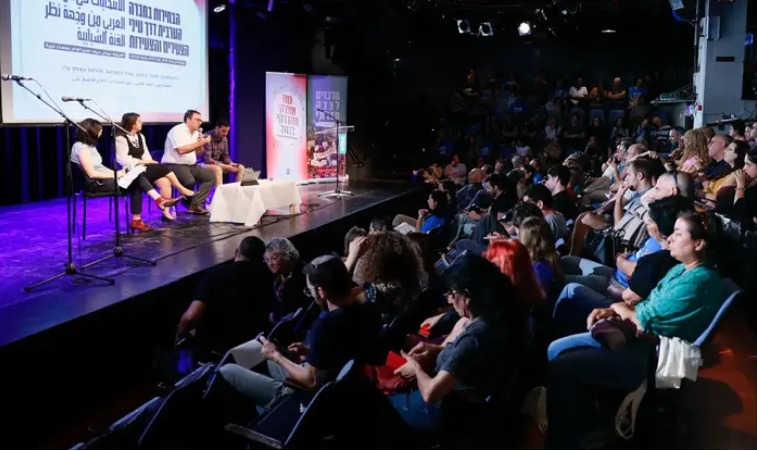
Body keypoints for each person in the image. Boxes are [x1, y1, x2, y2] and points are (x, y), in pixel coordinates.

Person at [546, 211, 726, 449]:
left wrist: (617, 308)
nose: (670, 238)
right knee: (558, 351)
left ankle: (567, 438)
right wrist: (613, 310)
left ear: (699, 243)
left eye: (678, 233)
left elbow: (644, 321)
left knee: (557, 359)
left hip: (653, 358)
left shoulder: (698, 282)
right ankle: (585, 417)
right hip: (641, 340)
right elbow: (644, 306)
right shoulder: (682, 270)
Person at [218, 255, 383, 411]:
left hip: (309, 398)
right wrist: (312, 352)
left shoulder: (325, 326)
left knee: (227, 369)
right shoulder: (370, 310)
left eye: (310, 291)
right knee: (261, 356)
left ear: (321, 292)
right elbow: (346, 350)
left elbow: (311, 381)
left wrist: (276, 356)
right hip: (351, 384)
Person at [390, 255, 527, 436]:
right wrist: (436, 350)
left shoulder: (475, 337)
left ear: (467, 296)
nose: (449, 300)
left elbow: (431, 393)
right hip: (469, 406)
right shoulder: (499, 316)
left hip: (449, 411)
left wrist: (415, 367)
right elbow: (467, 360)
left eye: (452, 293)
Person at [71, 118, 180, 232]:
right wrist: (116, 174)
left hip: (103, 179)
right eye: (99, 129)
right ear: (92, 131)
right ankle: (154, 204)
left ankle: (140, 217)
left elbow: (101, 168)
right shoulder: (81, 148)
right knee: (136, 179)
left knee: (136, 176)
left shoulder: (89, 146)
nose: (101, 132)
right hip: (96, 184)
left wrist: (120, 173)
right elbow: (92, 174)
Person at [176, 236, 275, 353]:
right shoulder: (267, 277)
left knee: (182, 355)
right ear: (261, 258)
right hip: (251, 349)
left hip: (215, 351)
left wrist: (180, 336)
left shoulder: (215, 275)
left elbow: (190, 316)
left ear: (236, 252)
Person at [115, 112, 197, 222]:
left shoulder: (140, 136)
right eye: (139, 121)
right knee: (163, 168)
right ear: (133, 124)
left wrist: (149, 162)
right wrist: (141, 162)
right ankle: (181, 189)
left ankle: (165, 211)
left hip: (143, 168)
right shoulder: (121, 138)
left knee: (165, 181)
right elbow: (122, 159)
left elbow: (146, 155)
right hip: (130, 171)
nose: (141, 123)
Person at [161, 110, 216, 214]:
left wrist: (201, 143)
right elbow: (181, 150)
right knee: (189, 181)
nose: (200, 122)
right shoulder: (177, 131)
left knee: (211, 177)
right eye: (197, 120)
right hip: (174, 164)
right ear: (188, 120)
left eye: (200, 120)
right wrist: (201, 143)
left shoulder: (196, 133)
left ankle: (195, 204)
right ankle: (188, 202)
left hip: (191, 165)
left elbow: (199, 153)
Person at [201, 118, 246, 185]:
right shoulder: (207, 137)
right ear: (217, 128)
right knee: (217, 169)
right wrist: (226, 167)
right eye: (223, 131)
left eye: (227, 131)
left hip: (216, 163)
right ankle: (220, 191)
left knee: (241, 168)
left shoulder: (224, 139)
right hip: (203, 164)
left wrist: (231, 164)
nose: (225, 134)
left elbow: (225, 157)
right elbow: (208, 160)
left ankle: (237, 190)